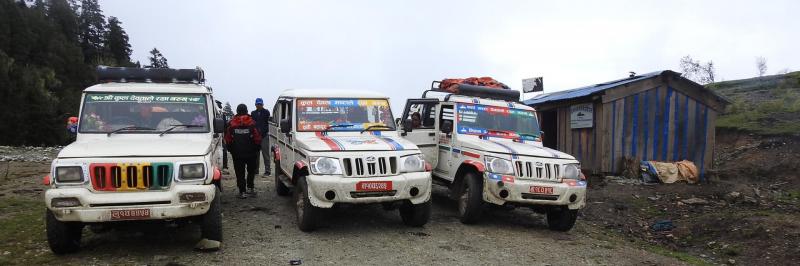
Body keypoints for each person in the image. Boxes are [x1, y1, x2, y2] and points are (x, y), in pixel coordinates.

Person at [224, 104, 262, 199]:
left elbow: (228, 138)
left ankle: (242, 192)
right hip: (251, 153)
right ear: (246, 110)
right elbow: (257, 137)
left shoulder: (231, 123)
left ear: (237, 111)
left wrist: (230, 149)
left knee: (239, 172)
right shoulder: (252, 122)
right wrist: (257, 148)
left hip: (237, 153)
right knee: (251, 171)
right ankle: (250, 189)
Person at [250, 98, 271, 176]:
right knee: (256, 154)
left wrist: (263, 132)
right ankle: (256, 170)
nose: (259, 105)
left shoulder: (266, 112)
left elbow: (268, 122)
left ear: (262, 104)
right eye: (257, 104)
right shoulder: (253, 113)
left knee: (266, 154)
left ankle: (268, 170)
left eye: (260, 104)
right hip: (255, 137)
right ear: (255, 104)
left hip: (264, 136)